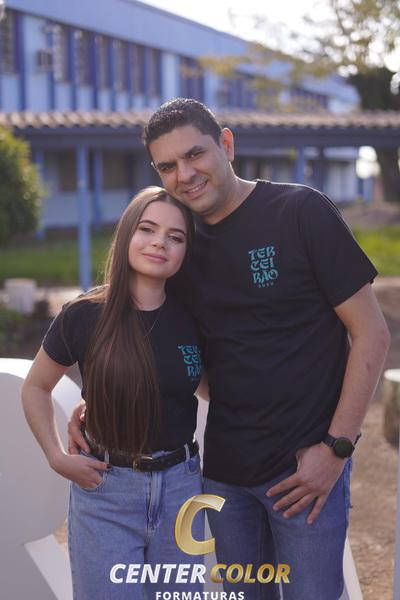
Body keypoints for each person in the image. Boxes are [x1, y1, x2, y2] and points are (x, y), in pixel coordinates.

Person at [69, 98, 390, 600]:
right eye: (167, 166)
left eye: (195, 154)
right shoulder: (180, 243)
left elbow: (372, 333)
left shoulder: (300, 211)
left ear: (227, 144)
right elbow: (156, 334)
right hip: (224, 477)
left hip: (305, 471)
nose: (184, 174)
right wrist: (99, 400)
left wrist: (337, 449)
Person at [22, 186, 205, 600]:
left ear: (185, 252)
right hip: (106, 490)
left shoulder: (195, 317)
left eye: (175, 237)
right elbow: (35, 386)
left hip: (182, 489)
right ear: (126, 235)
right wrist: (55, 456)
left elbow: (206, 386)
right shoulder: (84, 315)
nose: (160, 242)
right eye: (147, 229)